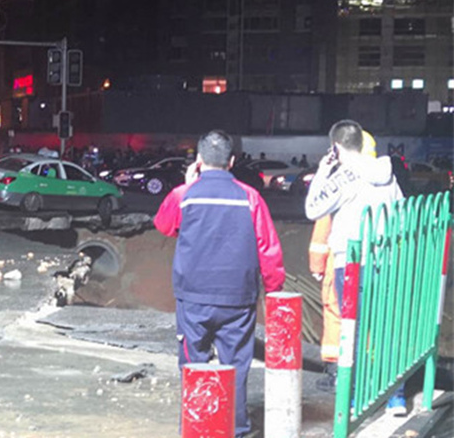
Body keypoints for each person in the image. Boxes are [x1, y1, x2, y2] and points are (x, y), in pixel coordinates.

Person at [154, 130, 285, 438]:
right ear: (232, 161)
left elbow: (164, 225)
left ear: (199, 160)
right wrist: (274, 290)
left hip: (194, 299)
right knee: (236, 366)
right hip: (238, 299)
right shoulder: (250, 197)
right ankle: (236, 430)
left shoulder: (184, 195)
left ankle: (196, 428)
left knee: (193, 365)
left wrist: (187, 184)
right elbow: (268, 248)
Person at [305, 120, 404, 414]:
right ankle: (396, 397)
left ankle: (355, 395)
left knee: (353, 329)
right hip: (385, 260)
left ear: (336, 147)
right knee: (385, 327)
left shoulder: (342, 177)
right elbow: (401, 214)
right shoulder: (387, 174)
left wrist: (323, 171)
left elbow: (312, 209)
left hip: (349, 264)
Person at [308, 130, 378, 392]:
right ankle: (366, 373)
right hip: (375, 262)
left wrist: (316, 265)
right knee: (368, 318)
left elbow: (321, 227)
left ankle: (339, 373)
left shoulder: (340, 183)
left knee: (338, 314)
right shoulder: (382, 181)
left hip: (341, 261)